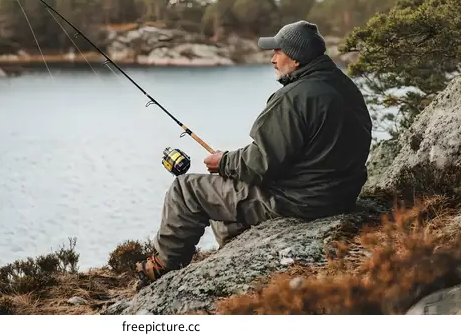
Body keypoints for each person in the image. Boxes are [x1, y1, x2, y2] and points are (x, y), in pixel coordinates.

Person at [135, 20, 373, 287]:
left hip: (301, 201)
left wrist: (224, 162)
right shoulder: (344, 86)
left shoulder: (292, 99)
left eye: (278, 52)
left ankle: (163, 265)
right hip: (339, 194)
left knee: (186, 189)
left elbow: (262, 164)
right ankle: (234, 257)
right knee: (226, 208)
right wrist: (233, 161)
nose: (272, 58)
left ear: (295, 59)